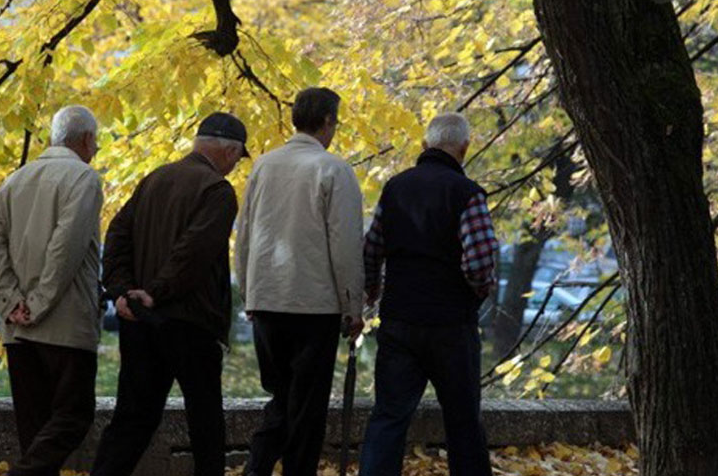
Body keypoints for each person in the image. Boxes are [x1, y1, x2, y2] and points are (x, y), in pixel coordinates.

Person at [91, 112, 249, 476]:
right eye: (237, 159)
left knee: (133, 418)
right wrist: (154, 293)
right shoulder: (217, 191)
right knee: (205, 421)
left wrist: (122, 290)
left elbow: (117, 236)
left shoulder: (154, 179)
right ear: (228, 151)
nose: (235, 168)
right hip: (189, 322)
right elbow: (194, 253)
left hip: (141, 321)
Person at [358, 112, 499, 476]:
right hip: (451, 323)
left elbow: (371, 249)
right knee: (463, 422)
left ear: (424, 146)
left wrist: (372, 291)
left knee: (389, 416)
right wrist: (476, 293)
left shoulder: (395, 188)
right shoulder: (466, 193)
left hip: (400, 318)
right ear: (464, 148)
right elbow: (481, 260)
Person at [234, 87, 365, 476]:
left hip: (267, 301)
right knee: (307, 408)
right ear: (327, 120)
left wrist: (249, 291)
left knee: (281, 396)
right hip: (315, 304)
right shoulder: (333, 169)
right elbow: (344, 244)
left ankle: (257, 467)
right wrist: (352, 306)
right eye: (335, 121)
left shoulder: (264, 166)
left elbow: (244, 235)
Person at [0, 105, 104, 476]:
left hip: (18, 330)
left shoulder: (14, 181)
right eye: (95, 142)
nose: (95, 150)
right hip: (64, 325)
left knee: (33, 431)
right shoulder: (83, 178)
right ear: (85, 139)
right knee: (73, 418)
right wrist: (37, 303)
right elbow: (67, 246)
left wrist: (9, 302)